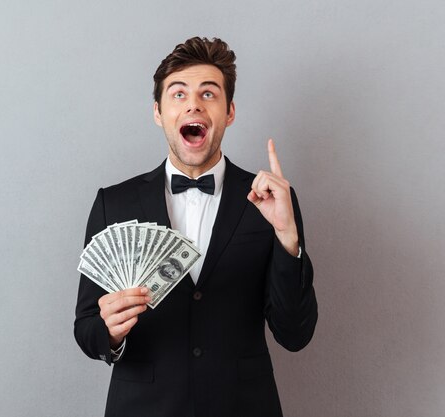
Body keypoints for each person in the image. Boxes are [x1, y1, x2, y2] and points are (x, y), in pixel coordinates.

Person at [74, 37, 318, 417]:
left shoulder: (272, 201)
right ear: (158, 112)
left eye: (209, 93)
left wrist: (288, 240)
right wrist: (110, 332)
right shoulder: (114, 203)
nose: (193, 104)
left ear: (229, 111)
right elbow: (86, 328)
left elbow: (295, 334)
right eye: (178, 94)